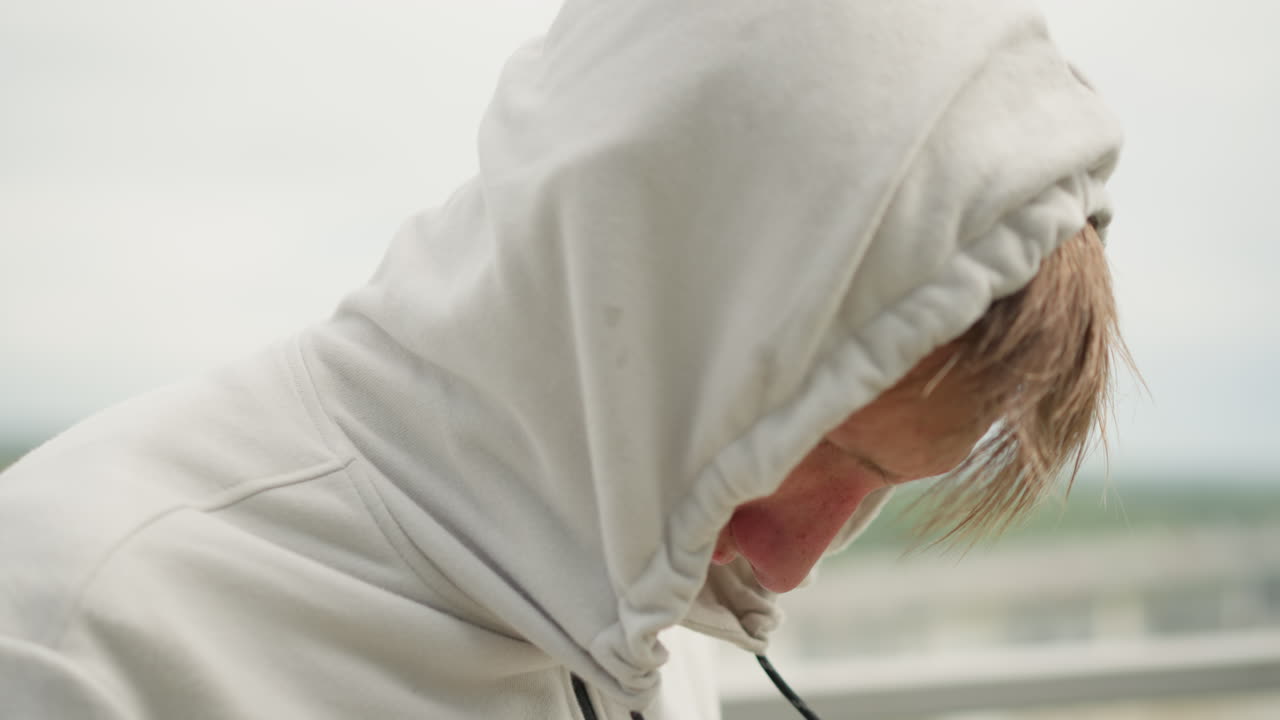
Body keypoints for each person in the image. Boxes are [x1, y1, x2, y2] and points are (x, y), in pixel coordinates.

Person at [0, 0, 1128, 717]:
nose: (785, 567)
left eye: (876, 488)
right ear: (626, 284)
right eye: (811, 443)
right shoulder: (78, 634)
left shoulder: (637, 604)